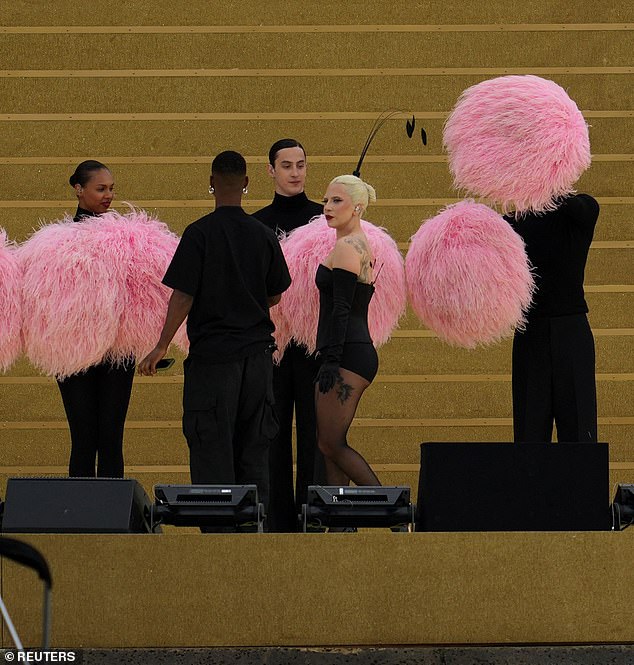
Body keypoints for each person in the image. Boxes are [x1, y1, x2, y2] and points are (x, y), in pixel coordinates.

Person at [138, 150, 291, 513]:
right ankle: (252, 529)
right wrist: (247, 302)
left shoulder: (198, 233)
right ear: (247, 183)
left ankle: (216, 536)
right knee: (254, 447)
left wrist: (161, 345)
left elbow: (183, 295)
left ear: (211, 183)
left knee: (211, 448)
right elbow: (275, 292)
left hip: (212, 361)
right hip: (256, 361)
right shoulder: (263, 235)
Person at [252, 138, 326, 532]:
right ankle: (277, 521)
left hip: (314, 345)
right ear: (271, 171)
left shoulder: (325, 217)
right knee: (273, 431)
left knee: (316, 432)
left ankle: (312, 517)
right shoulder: (258, 223)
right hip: (273, 346)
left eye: (301, 164)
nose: (295, 172)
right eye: (287, 165)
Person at [57, 160, 135, 477]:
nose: (108, 196)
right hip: (73, 349)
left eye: (111, 189)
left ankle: (112, 524)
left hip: (117, 348)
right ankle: (79, 520)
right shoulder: (58, 240)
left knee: (112, 439)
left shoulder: (126, 238)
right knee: (83, 439)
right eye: (100, 189)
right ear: (79, 190)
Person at [506, 194, 600, 442]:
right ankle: (529, 482)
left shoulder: (582, 207)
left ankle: (581, 482)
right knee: (529, 434)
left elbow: (577, 207)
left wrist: (548, 178)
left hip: (572, 329)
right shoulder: (516, 219)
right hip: (530, 330)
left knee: (581, 432)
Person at [314, 174, 381, 487]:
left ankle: (392, 510)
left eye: (336, 200)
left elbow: (341, 309)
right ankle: (339, 522)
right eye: (326, 200)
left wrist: (331, 359)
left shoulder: (347, 248)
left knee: (330, 443)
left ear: (357, 207)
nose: (327, 207)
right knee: (329, 445)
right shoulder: (354, 243)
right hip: (351, 350)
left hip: (347, 354)